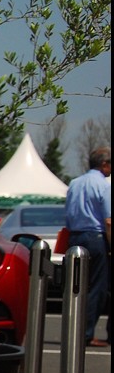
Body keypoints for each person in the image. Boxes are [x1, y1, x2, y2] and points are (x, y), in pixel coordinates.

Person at [63, 145, 112, 347]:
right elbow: (108, 220)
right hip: (95, 237)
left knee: (75, 287)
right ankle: (87, 333)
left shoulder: (74, 183)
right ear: (104, 164)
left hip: (74, 237)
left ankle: (73, 330)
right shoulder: (104, 185)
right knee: (97, 288)